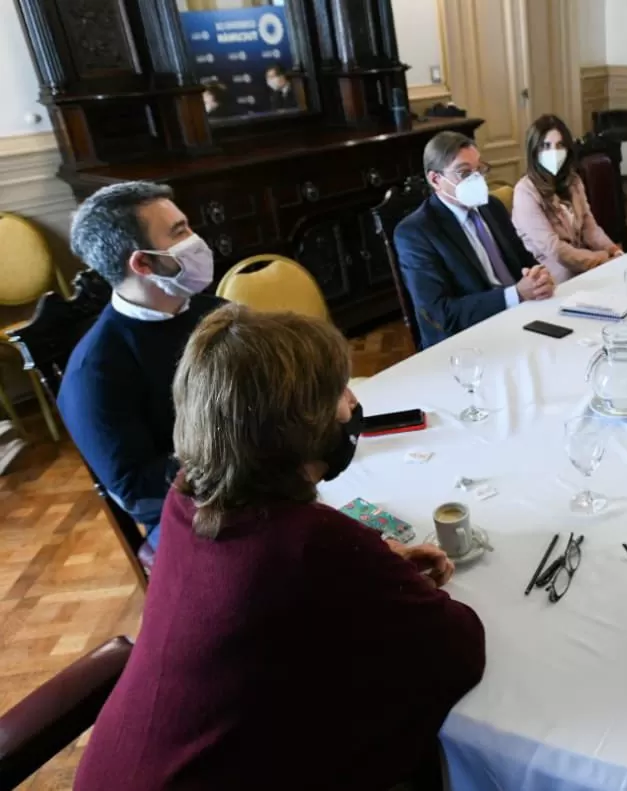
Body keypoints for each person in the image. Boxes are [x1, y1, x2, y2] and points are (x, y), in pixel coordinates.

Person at [73, 305, 485, 791]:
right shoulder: (311, 544)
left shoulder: (188, 494)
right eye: (339, 392)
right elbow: (459, 649)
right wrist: (370, 572)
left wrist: (368, 570)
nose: (352, 404)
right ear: (298, 427)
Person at [58, 181, 223, 549]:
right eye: (180, 233)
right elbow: (137, 493)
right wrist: (234, 447)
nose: (196, 240)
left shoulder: (213, 311)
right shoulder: (95, 372)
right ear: (143, 263)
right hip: (189, 514)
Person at [394, 130, 555, 348]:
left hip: (523, 317)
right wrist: (515, 295)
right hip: (468, 342)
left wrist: (539, 275)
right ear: (435, 179)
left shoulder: (491, 206)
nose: (477, 179)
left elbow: (522, 258)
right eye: (464, 173)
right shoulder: (416, 232)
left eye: (479, 169)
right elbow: (441, 314)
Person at [511, 114, 623, 284]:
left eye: (559, 145)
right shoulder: (525, 191)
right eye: (545, 146)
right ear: (534, 151)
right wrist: (601, 258)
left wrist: (612, 249)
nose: (553, 153)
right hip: (553, 275)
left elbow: (589, 226)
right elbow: (555, 249)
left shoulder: (573, 181)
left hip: (585, 264)